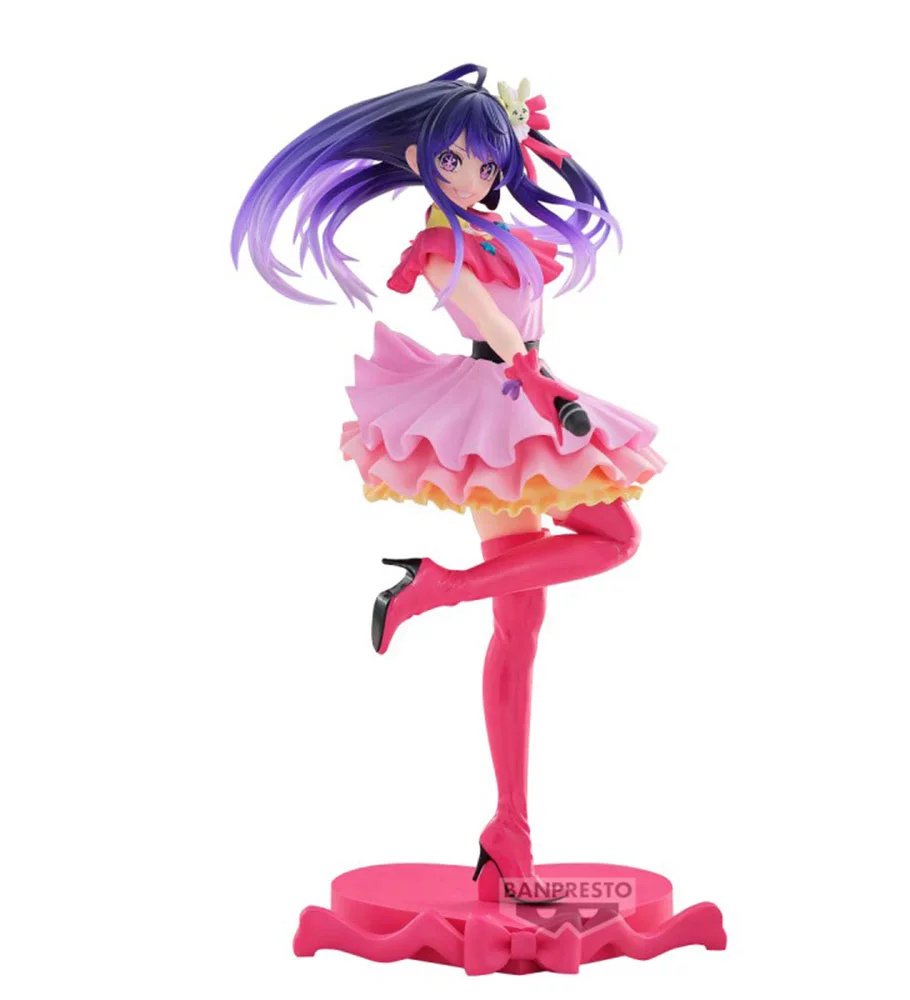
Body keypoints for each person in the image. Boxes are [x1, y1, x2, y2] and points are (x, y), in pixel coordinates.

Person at [231, 64, 666, 905]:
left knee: (528, 618)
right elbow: (492, 325)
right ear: (419, 159)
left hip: (528, 402)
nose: (473, 177)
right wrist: (542, 386)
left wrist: (533, 150)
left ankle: (509, 832)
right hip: (501, 409)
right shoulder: (439, 245)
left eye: (487, 163)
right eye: (455, 161)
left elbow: (519, 287)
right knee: (607, 548)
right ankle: (440, 590)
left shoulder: (491, 224)